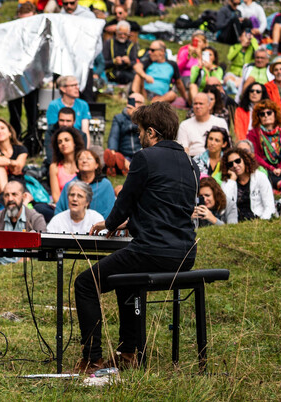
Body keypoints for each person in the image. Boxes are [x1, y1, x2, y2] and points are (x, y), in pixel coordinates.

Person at [74, 101, 197, 373]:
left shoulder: (145, 158)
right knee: (125, 281)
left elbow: (126, 200)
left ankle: (92, 359)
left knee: (85, 283)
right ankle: (128, 353)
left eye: (140, 131)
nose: (138, 137)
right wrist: (136, 221)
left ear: (152, 132)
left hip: (152, 250)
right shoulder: (190, 162)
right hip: (185, 254)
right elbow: (170, 205)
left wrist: (110, 222)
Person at [0, 180, 48, 266]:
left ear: (23, 196)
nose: (10, 199)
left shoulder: (35, 218)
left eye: (14, 194)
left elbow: (43, 243)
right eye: (7, 195)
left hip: (26, 266)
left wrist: (28, 257)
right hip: (0, 264)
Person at [246, 100, 281, 190]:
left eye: (269, 113)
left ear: (275, 114)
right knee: (263, 175)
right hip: (264, 169)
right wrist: (271, 168)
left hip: (280, 169)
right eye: (262, 114)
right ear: (258, 117)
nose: (266, 116)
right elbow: (254, 156)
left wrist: (280, 168)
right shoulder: (253, 134)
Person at [221, 147, 275, 222]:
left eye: (238, 161)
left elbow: (269, 205)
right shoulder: (227, 183)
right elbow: (223, 207)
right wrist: (232, 180)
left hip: (259, 221)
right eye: (230, 164)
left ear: (245, 160)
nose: (235, 165)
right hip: (236, 224)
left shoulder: (260, 177)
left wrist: (262, 222)